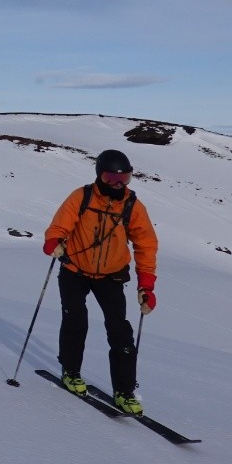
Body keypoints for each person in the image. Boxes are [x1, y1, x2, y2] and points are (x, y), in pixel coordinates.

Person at [41, 149, 158, 415]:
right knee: (75, 321)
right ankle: (71, 372)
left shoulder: (132, 207)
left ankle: (125, 392)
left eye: (125, 177)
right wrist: (54, 242)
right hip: (74, 270)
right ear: (99, 176)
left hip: (111, 276)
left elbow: (146, 245)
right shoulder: (81, 197)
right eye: (111, 177)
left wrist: (146, 286)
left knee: (121, 333)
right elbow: (59, 226)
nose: (119, 184)